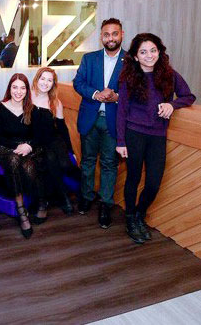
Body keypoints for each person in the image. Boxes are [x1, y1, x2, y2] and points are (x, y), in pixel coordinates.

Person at [116, 33, 195, 244]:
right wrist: (120, 142)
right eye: (143, 52)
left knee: (153, 183)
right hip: (134, 134)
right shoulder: (128, 78)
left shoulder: (169, 75)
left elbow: (188, 96)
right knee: (133, 178)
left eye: (153, 50)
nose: (149, 55)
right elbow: (121, 111)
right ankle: (131, 219)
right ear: (135, 56)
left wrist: (172, 105)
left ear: (159, 52)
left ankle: (140, 214)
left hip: (158, 136)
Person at [73, 18, 126, 229]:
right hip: (90, 119)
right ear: (101, 36)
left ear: (122, 34)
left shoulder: (131, 62)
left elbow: (137, 93)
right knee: (86, 161)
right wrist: (95, 94)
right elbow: (79, 83)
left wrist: (117, 97)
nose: (110, 38)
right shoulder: (89, 59)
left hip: (114, 122)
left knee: (109, 164)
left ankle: (105, 204)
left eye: (114, 33)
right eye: (106, 34)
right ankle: (86, 197)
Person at [0, 73, 45, 239]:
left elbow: (38, 136)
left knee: (29, 167)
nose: (18, 91)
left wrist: (28, 146)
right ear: (10, 88)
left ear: (27, 90)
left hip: (28, 147)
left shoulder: (32, 109)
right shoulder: (0, 107)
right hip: (6, 148)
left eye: (22, 88)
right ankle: (22, 212)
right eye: (15, 87)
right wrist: (17, 147)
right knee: (14, 160)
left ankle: (42, 201)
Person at [31, 67, 80, 222]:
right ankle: (63, 197)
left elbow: (62, 127)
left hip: (54, 139)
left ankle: (83, 181)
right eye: (43, 78)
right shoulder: (27, 97)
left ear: (53, 84)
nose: (45, 83)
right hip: (38, 142)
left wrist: (71, 150)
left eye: (49, 80)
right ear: (37, 79)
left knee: (65, 164)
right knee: (51, 160)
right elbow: (9, 106)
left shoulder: (55, 102)